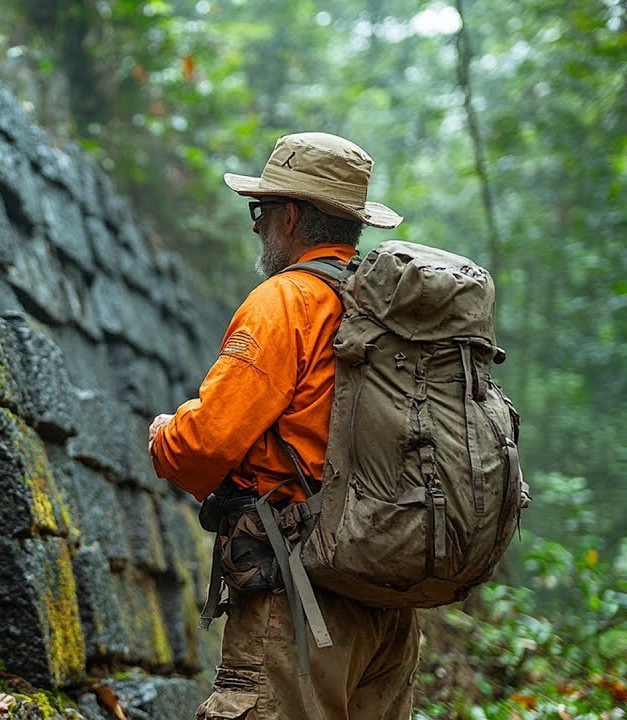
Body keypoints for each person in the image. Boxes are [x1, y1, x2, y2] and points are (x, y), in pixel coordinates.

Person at [147, 132, 420, 720]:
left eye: (262, 211)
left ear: (290, 216)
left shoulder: (287, 302)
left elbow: (207, 442)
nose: (256, 226)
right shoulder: (390, 313)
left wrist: (166, 434)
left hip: (298, 600)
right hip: (388, 606)